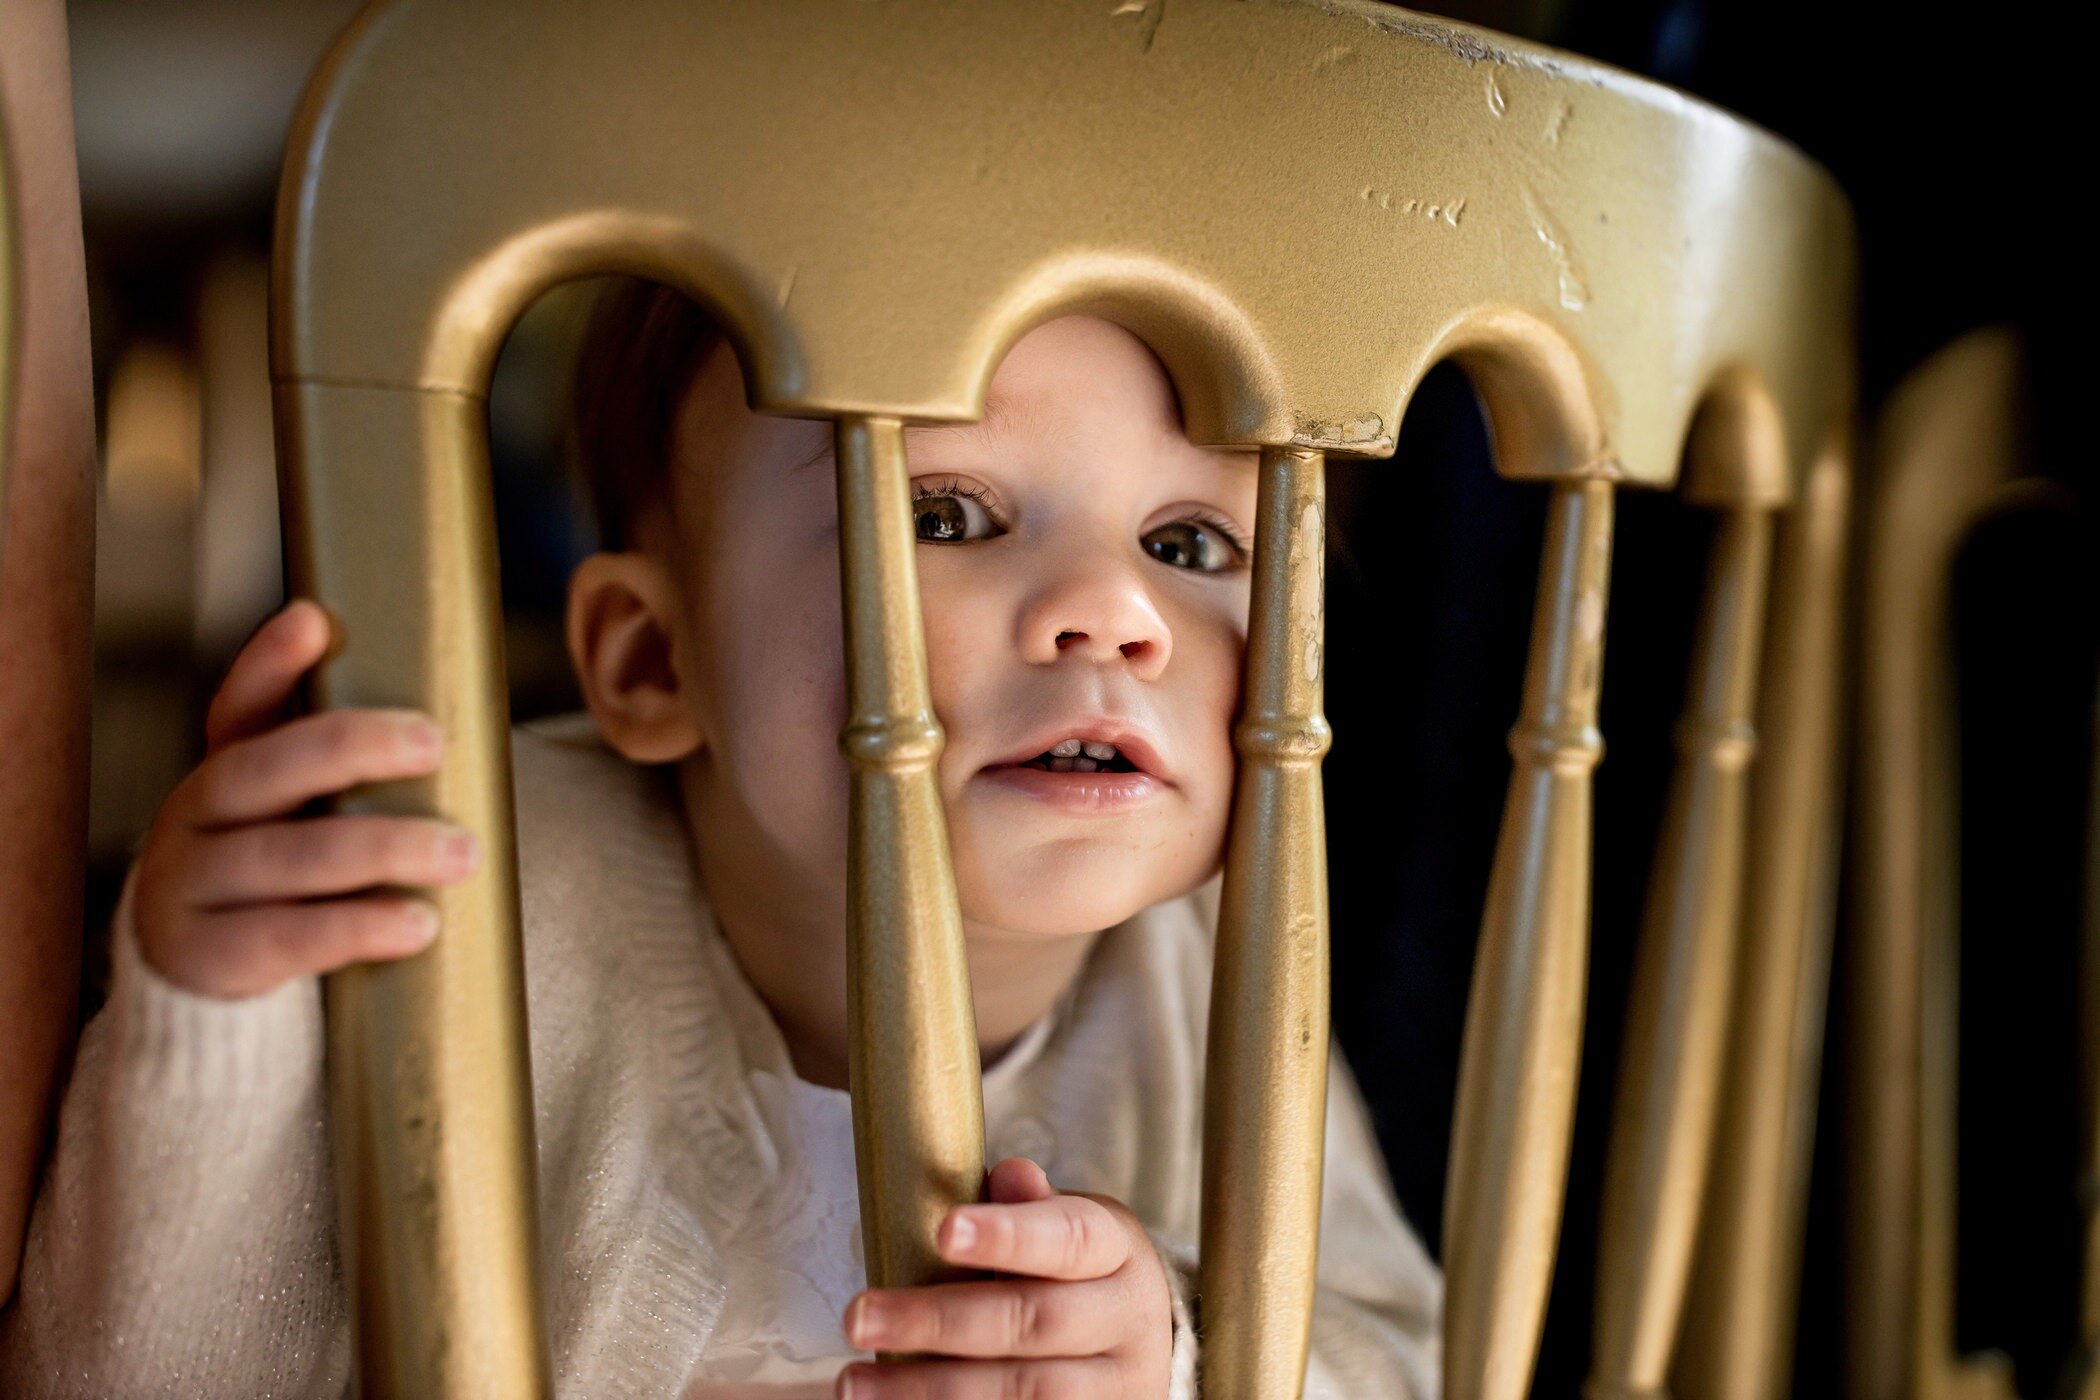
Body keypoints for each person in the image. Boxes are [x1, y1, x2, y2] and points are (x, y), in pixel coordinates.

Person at [0, 291, 1440, 1396]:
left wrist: (1178, 1358)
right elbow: (141, 1370)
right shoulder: (465, 889)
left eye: (1191, 547)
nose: (1112, 614)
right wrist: (214, 1017)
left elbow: (1403, 1354)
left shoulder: (1218, 981)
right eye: (942, 515)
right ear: (649, 660)